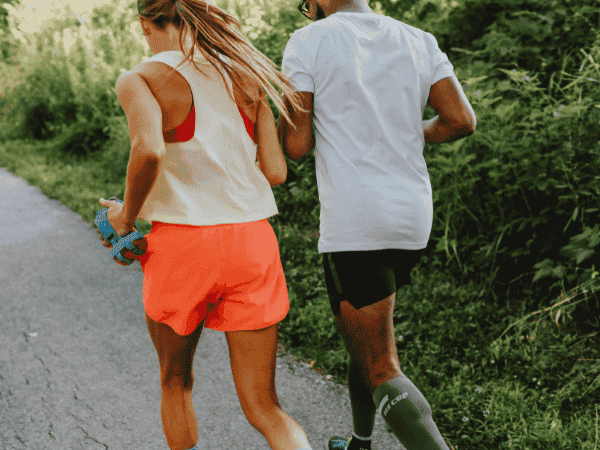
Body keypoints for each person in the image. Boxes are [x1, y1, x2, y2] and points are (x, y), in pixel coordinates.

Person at [95, 1, 477, 450]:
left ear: (146, 22)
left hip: (194, 243)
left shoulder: (140, 78)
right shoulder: (248, 75)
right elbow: (275, 172)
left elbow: (155, 153)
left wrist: (125, 215)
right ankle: (335, 442)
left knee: (176, 382)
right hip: (272, 239)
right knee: (270, 405)